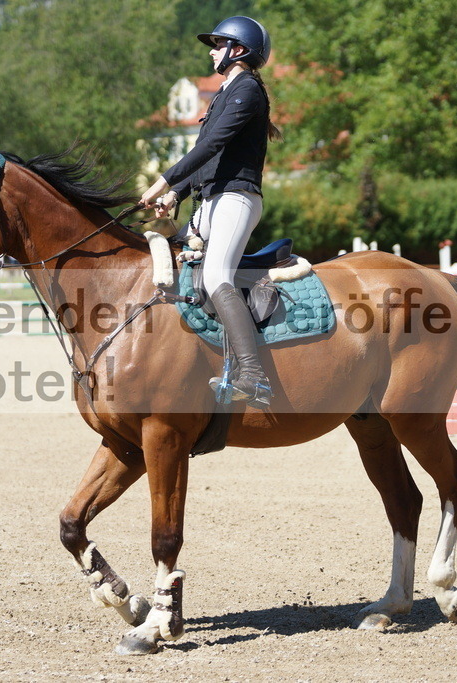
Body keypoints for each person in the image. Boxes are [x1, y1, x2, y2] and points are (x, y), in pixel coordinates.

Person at [140, 15, 281, 408]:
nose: (211, 50)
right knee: (179, 272)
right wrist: (177, 194)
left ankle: (252, 374)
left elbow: (213, 144)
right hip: (211, 201)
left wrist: (164, 181)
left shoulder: (247, 89)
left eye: (218, 45)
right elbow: (207, 160)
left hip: (236, 198)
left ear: (239, 51)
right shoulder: (224, 92)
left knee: (218, 274)